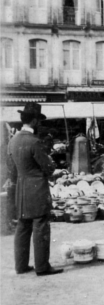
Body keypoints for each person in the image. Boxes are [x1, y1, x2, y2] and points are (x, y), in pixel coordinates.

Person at [7, 102, 63, 276]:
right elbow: (48, 168)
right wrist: (54, 169)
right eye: (38, 119)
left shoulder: (13, 141)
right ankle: (42, 266)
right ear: (33, 121)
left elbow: (12, 168)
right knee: (41, 226)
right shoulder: (34, 142)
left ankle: (21, 266)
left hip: (22, 190)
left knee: (23, 227)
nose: (39, 123)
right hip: (37, 189)